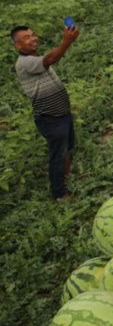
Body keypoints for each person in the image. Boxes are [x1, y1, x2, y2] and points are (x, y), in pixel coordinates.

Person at [11, 23, 79, 201]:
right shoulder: (25, 63)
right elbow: (50, 59)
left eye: (33, 34)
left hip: (62, 114)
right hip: (51, 119)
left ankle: (67, 177)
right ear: (18, 45)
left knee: (67, 148)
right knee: (57, 155)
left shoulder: (35, 58)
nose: (33, 38)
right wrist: (66, 42)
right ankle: (59, 194)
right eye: (27, 37)